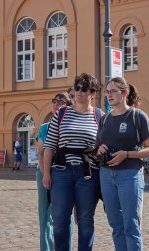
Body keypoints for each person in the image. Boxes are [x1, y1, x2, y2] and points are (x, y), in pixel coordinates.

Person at [42, 73, 103, 251]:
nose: (79, 92)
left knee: (85, 219)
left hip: (88, 174)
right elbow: (49, 146)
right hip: (61, 172)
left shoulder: (100, 116)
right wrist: (46, 173)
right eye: (77, 88)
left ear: (93, 93)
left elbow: (104, 147)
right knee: (60, 219)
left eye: (84, 89)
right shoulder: (61, 114)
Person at [97, 77, 149, 251]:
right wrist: (99, 149)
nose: (109, 95)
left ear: (124, 92)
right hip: (106, 175)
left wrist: (127, 154)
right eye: (107, 91)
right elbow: (97, 147)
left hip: (130, 174)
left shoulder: (138, 116)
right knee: (116, 225)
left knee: (131, 225)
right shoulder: (104, 119)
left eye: (113, 91)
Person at [36, 92, 74, 251]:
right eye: (55, 101)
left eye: (62, 101)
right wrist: (46, 173)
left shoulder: (71, 127)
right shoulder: (45, 127)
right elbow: (40, 153)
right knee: (45, 215)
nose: (57, 104)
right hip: (45, 172)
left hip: (65, 174)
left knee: (66, 215)